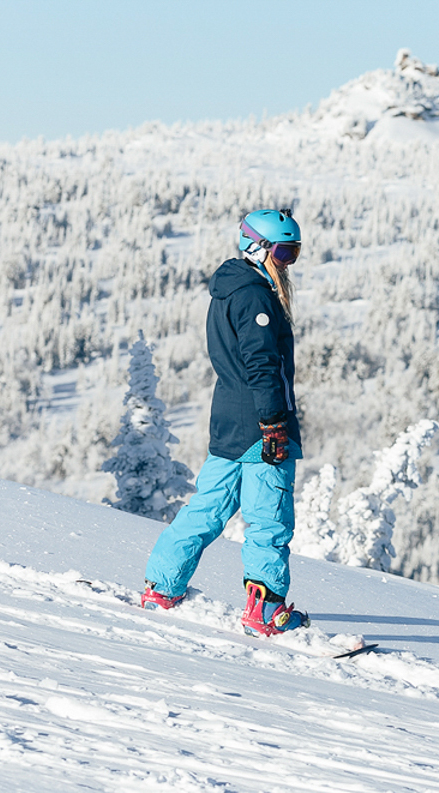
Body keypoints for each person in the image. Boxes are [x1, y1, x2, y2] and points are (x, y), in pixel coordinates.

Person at [141, 208, 308, 637]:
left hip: (229, 422)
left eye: (295, 252)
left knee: (207, 508)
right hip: (259, 424)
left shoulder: (230, 288)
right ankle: (265, 609)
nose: (289, 262)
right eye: (285, 252)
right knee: (269, 517)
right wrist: (274, 424)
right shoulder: (255, 296)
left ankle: (161, 585)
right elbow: (261, 363)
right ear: (258, 247)